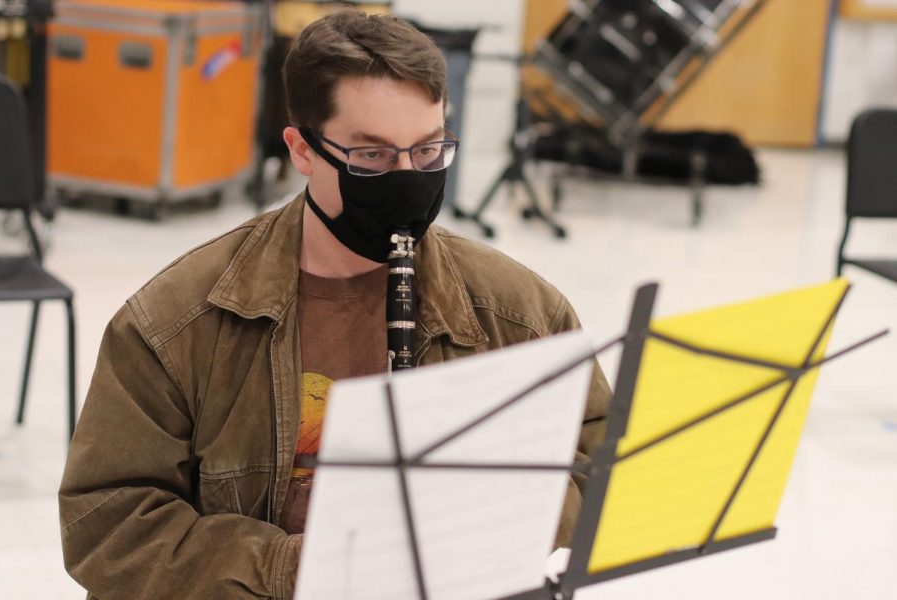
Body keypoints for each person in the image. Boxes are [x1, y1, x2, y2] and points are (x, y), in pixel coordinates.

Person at [59, 10, 612, 599]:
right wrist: (303, 569)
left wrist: (463, 527)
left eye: (427, 152)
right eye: (371, 157)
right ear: (301, 150)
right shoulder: (175, 321)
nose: (406, 177)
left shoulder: (518, 311)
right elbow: (107, 526)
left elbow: (601, 468)